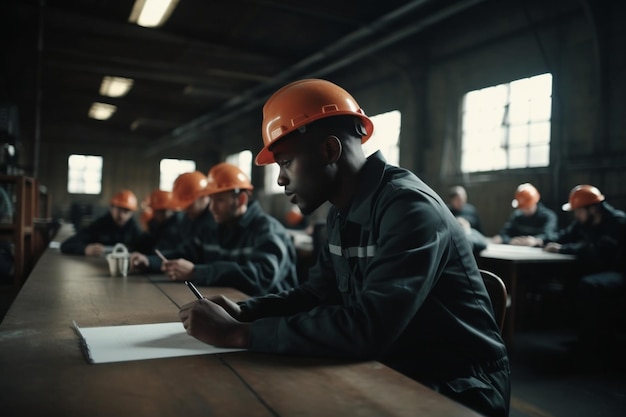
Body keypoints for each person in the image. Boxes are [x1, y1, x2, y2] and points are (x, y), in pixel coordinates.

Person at [178, 79, 510, 417]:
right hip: (395, 364)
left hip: (459, 385)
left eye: (287, 162)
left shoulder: (409, 208)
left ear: (329, 150)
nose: (280, 179)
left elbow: (368, 328)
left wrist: (238, 334)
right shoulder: (341, 213)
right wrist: (246, 311)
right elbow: (315, 294)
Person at [133, 163, 298, 296]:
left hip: (272, 318)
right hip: (234, 309)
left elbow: (261, 277)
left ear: (240, 199)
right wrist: (149, 262)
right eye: (210, 200)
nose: (212, 208)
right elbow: (188, 253)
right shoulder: (215, 229)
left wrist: (197, 272)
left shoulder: (267, 230)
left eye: (219, 200)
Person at [544, 185, 626, 361]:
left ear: (593, 208)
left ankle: (594, 345)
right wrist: (538, 241)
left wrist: (562, 249)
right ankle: (585, 338)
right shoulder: (585, 221)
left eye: (578, 211)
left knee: (588, 285)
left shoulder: (617, 222)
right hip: (599, 269)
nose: (576, 216)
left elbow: (598, 250)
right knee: (571, 279)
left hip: (618, 272)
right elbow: (563, 235)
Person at [130, 171, 215, 269]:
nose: (185, 209)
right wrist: (149, 261)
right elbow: (185, 253)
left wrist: (195, 272)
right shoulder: (188, 220)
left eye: (189, 205)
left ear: (205, 197)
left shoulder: (215, 222)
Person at [60, 189, 142, 256]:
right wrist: (85, 249)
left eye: (126, 211)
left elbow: (146, 249)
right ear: (111, 208)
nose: (122, 215)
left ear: (132, 213)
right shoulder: (100, 225)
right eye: (119, 209)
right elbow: (67, 245)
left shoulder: (134, 228)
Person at [491, 183, 558, 247]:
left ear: (535, 202)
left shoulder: (548, 216)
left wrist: (536, 240)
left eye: (528, 207)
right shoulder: (517, 216)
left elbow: (551, 235)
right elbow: (504, 233)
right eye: (522, 208)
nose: (525, 210)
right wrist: (509, 240)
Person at [132, 189, 182, 253]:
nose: (156, 214)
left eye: (161, 211)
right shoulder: (155, 223)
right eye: (155, 211)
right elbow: (145, 241)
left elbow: (162, 249)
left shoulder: (176, 226)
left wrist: (148, 258)